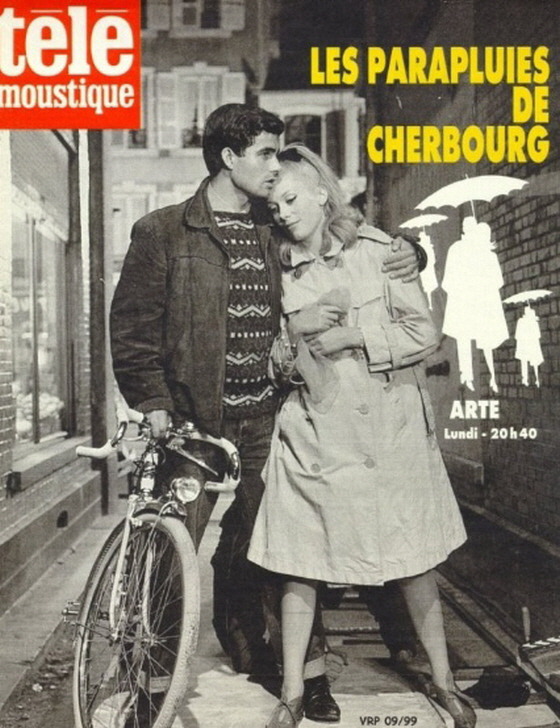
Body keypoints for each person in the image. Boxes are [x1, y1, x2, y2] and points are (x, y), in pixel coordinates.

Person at [110, 103, 420, 722]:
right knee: (170, 549)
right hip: (192, 422)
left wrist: (413, 250)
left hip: (270, 416)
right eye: (265, 154)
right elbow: (133, 328)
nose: (276, 168)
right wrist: (153, 401)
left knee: (287, 548)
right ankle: (153, 677)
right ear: (229, 157)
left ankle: (306, 674)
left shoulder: (274, 225)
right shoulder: (163, 231)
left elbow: (347, 236)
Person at [247, 144, 475, 728]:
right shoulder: (276, 268)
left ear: (322, 193)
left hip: (389, 429)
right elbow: (274, 368)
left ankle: (445, 681)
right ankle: (292, 692)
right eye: (274, 206)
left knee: (414, 557)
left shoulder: (380, 253)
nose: (283, 213)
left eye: (291, 199)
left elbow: (424, 334)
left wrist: (353, 338)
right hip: (315, 433)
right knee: (299, 561)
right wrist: (294, 336)